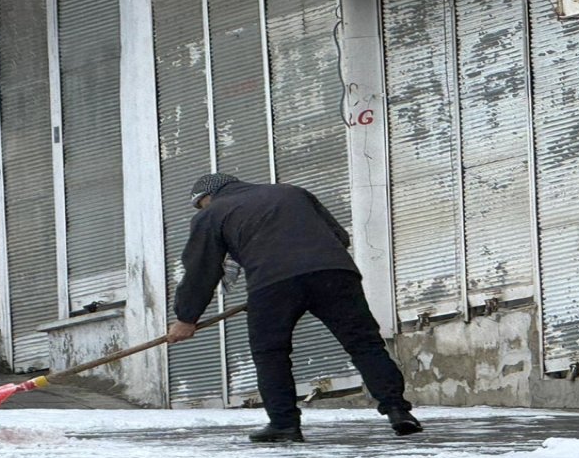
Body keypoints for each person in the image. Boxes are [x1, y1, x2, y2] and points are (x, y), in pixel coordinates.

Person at [166, 173, 423, 443]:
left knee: (271, 354)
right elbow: (339, 236)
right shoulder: (292, 192)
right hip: (335, 273)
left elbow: (200, 271)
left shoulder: (212, 214)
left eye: (200, 204)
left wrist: (186, 318)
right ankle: (398, 411)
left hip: (272, 283)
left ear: (207, 197)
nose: (202, 210)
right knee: (364, 343)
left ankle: (284, 424)